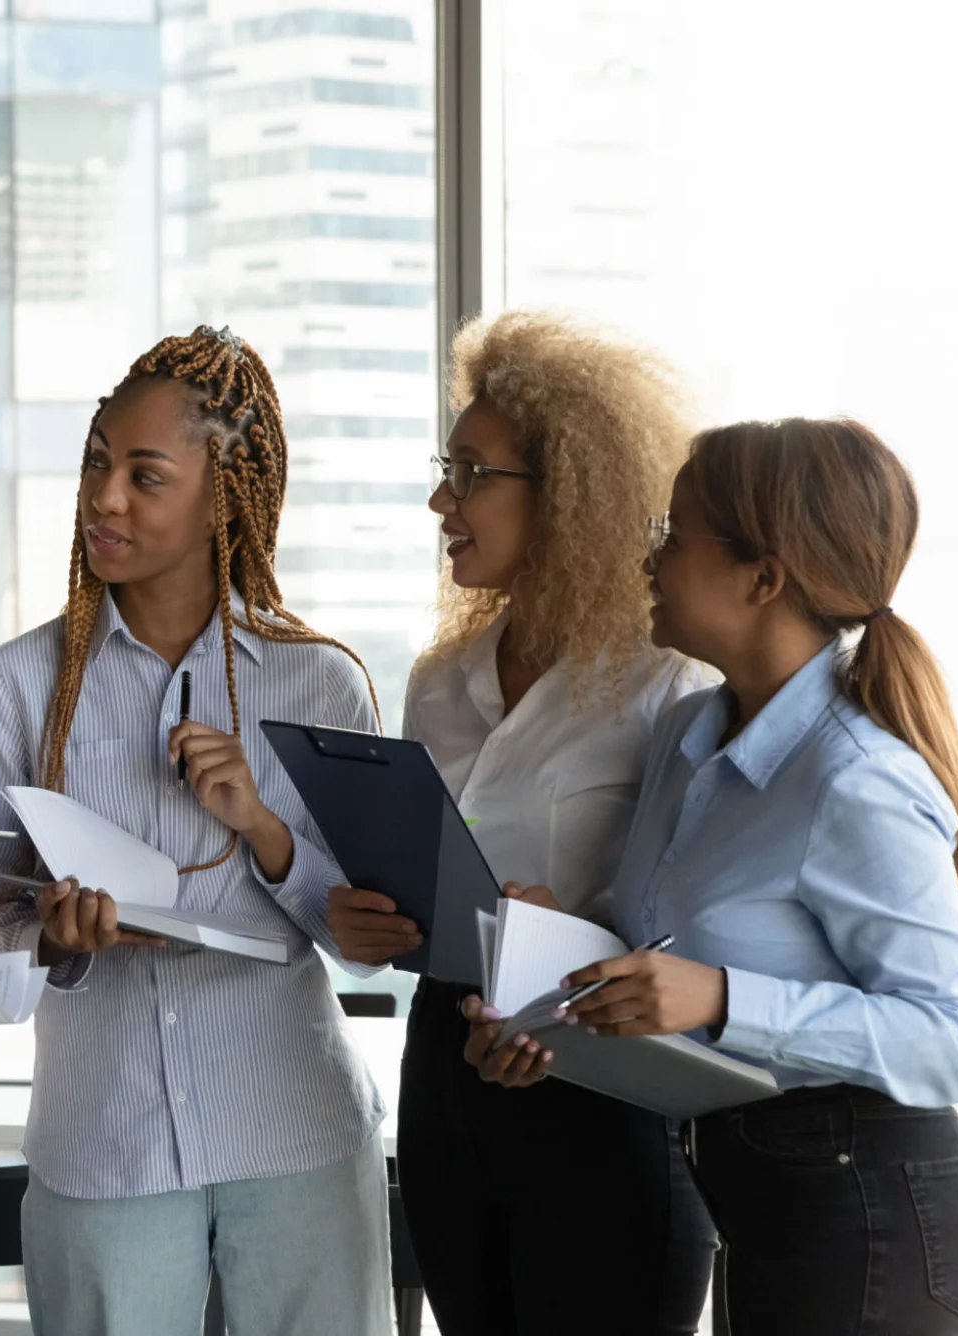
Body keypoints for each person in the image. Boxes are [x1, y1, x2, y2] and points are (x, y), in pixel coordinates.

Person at [468, 418, 958, 1335]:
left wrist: (722, 997)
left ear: (764, 578)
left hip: (876, 1210)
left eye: (673, 537)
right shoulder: (688, 736)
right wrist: (548, 986)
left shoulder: (856, 779)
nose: (650, 562)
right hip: (764, 1197)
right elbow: (662, 951)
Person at [0, 326, 393, 1336]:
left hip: (295, 1135)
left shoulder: (316, 680)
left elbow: (369, 940)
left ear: (224, 496)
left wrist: (263, 826)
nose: (106, 497)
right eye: (99, 462)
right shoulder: (21, 684)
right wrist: (53, 940)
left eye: (146, 476)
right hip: (104, 1147)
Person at [326, 310, 718, 1333]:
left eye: (469, 473)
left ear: (570, 493)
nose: (439, 499)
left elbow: (698, 928)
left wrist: (561, 963)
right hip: (448, 1078)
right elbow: (420, 887)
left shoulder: (670, 686)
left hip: (600, 1090)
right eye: (442, 469)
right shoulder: (440, 679)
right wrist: (367, 926)